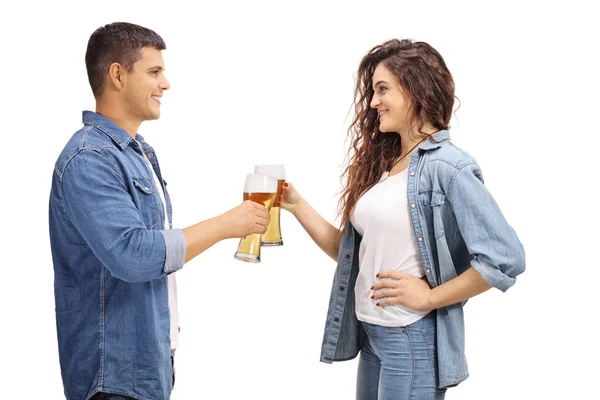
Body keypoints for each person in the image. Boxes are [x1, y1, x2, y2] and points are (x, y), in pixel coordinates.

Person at [281, 39, 525, 399]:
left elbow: (506, 257)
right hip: (374, 335)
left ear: (416, 90)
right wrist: (297, 204)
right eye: (372, 91)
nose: (373, 102)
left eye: (382, 90)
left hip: (411, 336)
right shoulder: (390, 167)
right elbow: (354, 256)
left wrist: (429, 298)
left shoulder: (447, 166)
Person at [48, 22, 270, 400]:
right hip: (114, 379)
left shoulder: (137, 152)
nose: (165, 83)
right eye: (154, 72)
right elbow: (134, 256)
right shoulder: (90, 159)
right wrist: (226, 225)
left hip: (148, 367)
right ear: (118, 74)